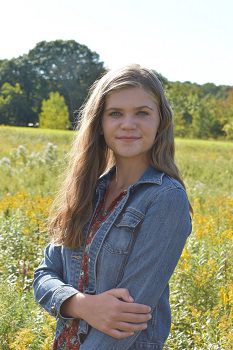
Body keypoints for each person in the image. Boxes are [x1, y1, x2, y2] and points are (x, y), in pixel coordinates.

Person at [33, 64, 192, 350]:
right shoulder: (87, 192)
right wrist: (80, 304)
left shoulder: (166, 198)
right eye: (115, 113)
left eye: (142, 113)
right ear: (100, 123)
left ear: (161, 122)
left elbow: (127, 322)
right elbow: (44, 275)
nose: (128, 124)